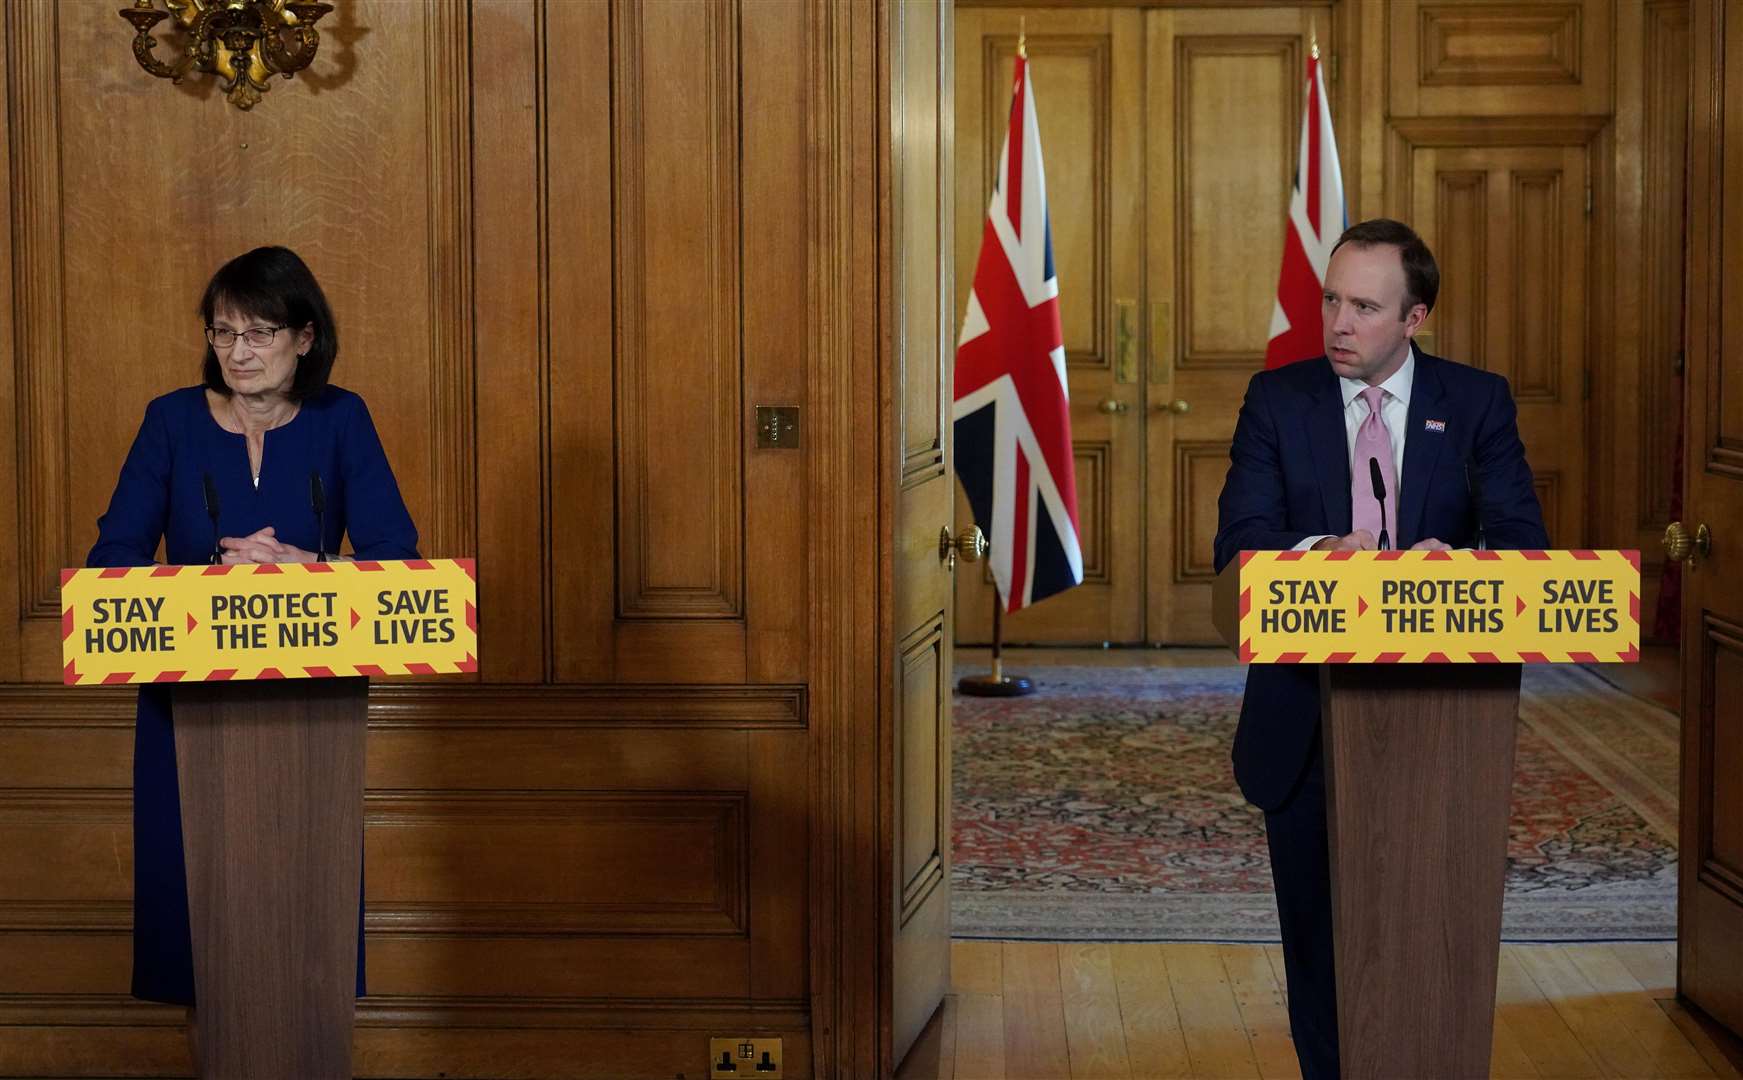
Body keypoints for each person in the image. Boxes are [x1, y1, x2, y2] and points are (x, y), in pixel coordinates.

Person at [1212, 218, 1549, 1078]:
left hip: (1444, 718)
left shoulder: (1475, 402)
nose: (1337, 324)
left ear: (1415, 318)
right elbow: (1238, 546)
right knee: (1319, 940)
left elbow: (1519, 541)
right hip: (1306, 712)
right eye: (1330, 299)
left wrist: (1459, 568)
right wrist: (1321, 557)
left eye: (1364, 306)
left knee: (1430, 927)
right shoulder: (1276, 399)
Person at [86, 246, 417, 1024]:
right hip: (188, 707)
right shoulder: (169, 420)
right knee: (198, 914)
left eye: (259, 333)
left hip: (314, 708)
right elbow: (115, 555)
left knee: (305, 915)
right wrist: (209, 579)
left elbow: (395, 557)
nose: (238, 352)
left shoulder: (344, 418)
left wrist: (307, 566)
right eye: (223, 333)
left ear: (305, 338)